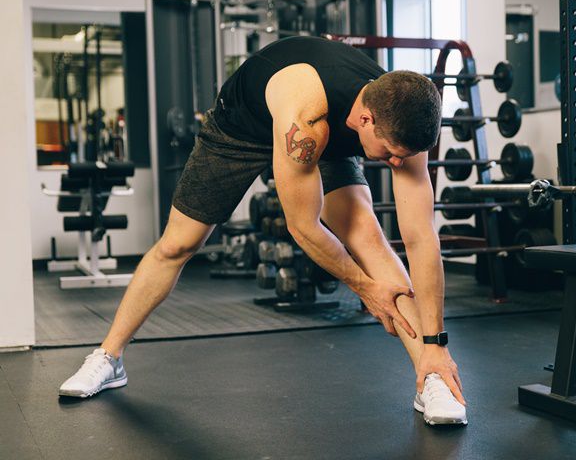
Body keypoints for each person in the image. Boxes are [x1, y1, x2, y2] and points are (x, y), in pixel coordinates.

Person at [59, 36, 467, 426]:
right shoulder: (307, 119)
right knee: (178, 244)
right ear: (366, 119)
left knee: (370, 239)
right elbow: (302, 227)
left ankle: (431, 375)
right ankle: (108, 358)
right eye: (392, 156)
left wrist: (437, 342)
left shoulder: (405, 115)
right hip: (240, 131)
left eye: (404, 157)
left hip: (333, 131)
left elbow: (420, 238)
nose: (398, 164)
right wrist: (363, 287)